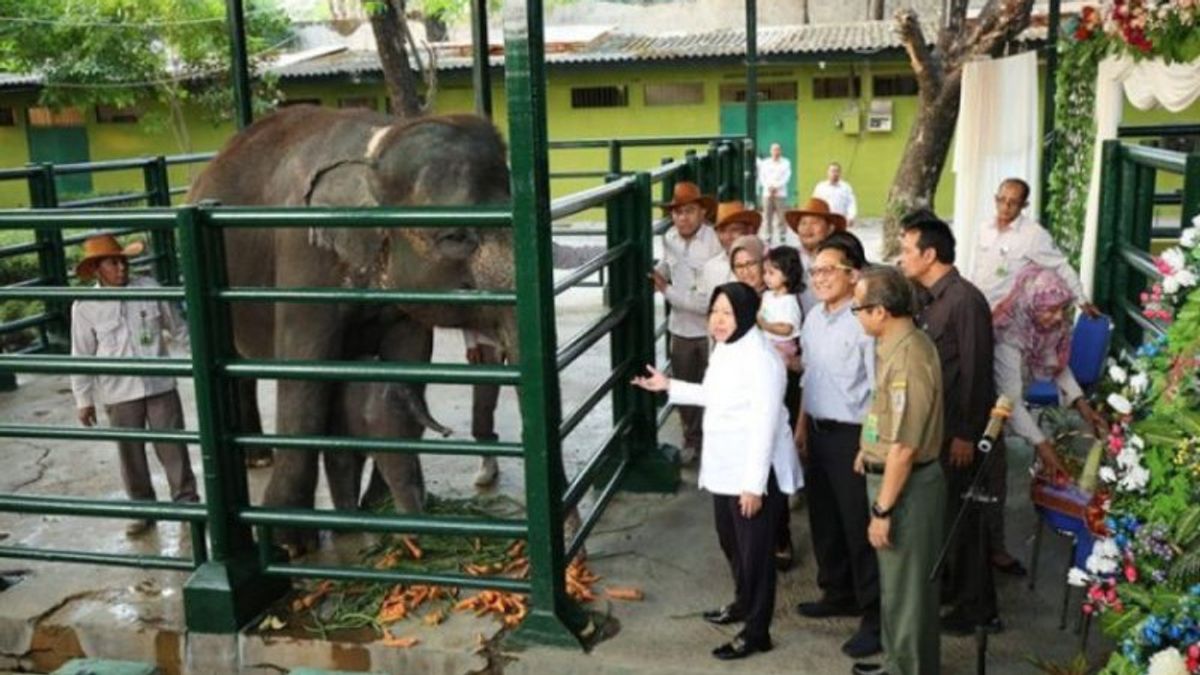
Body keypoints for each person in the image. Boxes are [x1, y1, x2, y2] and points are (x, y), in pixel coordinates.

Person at [632, 282, 803, 661]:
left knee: (756, 555)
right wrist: (668, 385)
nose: (719, 320)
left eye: (727, 312)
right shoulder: (727, 348)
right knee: (732, 542)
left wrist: (754, 487)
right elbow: (716, 395)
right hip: (727, 466)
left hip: (753, 473)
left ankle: (757, 632)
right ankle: (742, 605)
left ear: (745, 314)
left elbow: (764, 425)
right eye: (715, 312)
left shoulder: (763, 360)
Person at [897, 210, 1003, 636]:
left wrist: (966, 434)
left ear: (930, 254)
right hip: (934, 431)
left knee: (966, 520)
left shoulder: (964, 301)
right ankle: (953, 592)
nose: (901, 258)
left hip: (959, 434)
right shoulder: (926, 298)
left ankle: (979, 609)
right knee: (944, 517)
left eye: (907, 251)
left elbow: (977, 374)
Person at [850, 265, 946, 675]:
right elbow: (885, 416)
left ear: (880, 312)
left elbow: (905, 447)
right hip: (890, 476)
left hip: (907, 488)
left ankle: (910, 669)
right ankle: (896, 662)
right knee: (895, 585)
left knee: (908, 592)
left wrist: (883, 510)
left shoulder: (908, 358)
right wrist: (866, 447)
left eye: (858, 307)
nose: (855, 314)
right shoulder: (892, 347)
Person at [70, 235, 199, 537]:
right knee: (130, 452)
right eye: (113, 262)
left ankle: (187, 503)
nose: (121, 268)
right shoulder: (85, 307)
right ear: (97, 269)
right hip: (118, 389)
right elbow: (81, 353)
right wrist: (83, 399)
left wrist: (198, 359)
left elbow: (178, 328)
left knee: (173, 446)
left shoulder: (149, 290)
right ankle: (142, 509)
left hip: (159, 384)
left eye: (123, 261)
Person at [794, 232, 881, 660]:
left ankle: (874, 616)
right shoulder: (813, 318)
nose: (820, 278)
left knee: (859, 527)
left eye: (829, 270)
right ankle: (837, 591)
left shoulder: (864, 322)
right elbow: (809, 376)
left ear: (853, 274)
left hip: (853, 437)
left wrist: (869, 444)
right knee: (824, 520)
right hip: (819, 431)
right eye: (815, 271)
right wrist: (801, 426)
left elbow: (879, 391)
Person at [992, 265, 1108, 482]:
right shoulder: (1008, 335)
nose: (1058, 317)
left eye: (1062, 309)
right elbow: (1011, 402)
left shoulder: (1046, 327)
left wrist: (1083, 405)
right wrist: (1045, 449)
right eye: (1051, 310)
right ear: (1031, 305)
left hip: (1012, 403)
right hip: (992, 408)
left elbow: (1055, 366)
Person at [650, 182, 723, 463]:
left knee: (714, 386)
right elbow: (667, 265)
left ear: (702, 212)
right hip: (680, 327)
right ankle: (692, 440)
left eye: (689, 211)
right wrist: (658, 272)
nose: (682, 218)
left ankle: (715, 440)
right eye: (677, 213)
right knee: (683, 384)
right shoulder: (669, 238)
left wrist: (664, 289)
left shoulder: (714, 241)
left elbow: (707, 300)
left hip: (710, 330)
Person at [969, 178, 1099, 317]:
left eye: (1013, 202)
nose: (1006, 206)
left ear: (1024, 205)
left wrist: (1081, 300)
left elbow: (1060, 266)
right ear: (995, 199)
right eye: (1002, 200)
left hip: (1005, 317)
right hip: (975, 306)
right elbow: (978, 267)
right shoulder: (985, 227)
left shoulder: (1034, 235)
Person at [785, 197, 847, 314]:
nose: (807, 228)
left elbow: (856, 269)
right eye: (803, 223)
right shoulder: (789, 256)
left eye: (814, 222)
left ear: (830, 229)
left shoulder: (842, 257)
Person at [701, 201, 762, 295]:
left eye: (734, 230)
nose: (727, 237)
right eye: (722, 231)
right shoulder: (710, 267)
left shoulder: (764, 262)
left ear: (749, 230)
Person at [758, 143, 792, 246]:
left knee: (781, 216)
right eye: (773, 150)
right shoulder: (765, 163)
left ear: (780, 151)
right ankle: (768, 236)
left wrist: (776, 187)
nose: (776, 152)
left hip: (780, 193)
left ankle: (782, 236)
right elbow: (762, 177)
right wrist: (769, 187)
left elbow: (786, 177)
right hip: (767, 193)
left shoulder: (785, 163)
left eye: (777, 150)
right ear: (770, 151)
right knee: (767, 216)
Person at [812, 162, 858, 228]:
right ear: (827, 172)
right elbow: (815, 203)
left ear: (840, 173)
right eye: (832, 171)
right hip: (825, 221)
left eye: (837, 171)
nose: (835, 173)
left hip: (840, 221)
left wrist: (851, 217)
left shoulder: (846, 187)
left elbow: (851, 204)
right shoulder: (820, 187)